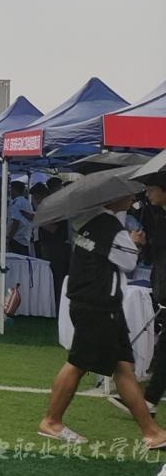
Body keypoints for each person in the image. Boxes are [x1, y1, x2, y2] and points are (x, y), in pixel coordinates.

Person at [38, 195, 166, 449]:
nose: (132, 198)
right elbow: (128, 263)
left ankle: (152, 433)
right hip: (98, 306)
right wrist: (135, 242)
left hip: (96, 305)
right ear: (114, 198)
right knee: (78, 363)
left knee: (123, 367)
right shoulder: (112, 229)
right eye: (127, 195)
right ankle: (51, 421)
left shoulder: (89, 222)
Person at [131, 173, 166, 414]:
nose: (148, 194)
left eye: (152, 189)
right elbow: (154, 256)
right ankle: (150, 400)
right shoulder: (157, 217)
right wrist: (144, 244)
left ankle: (150, 400)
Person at [7, 181, 34, 257]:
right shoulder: (27, 202)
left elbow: (16, 222)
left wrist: (9, 238)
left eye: (11, 189)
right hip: (25, 237)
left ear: (14, 190)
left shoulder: (16, 203)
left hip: (16, 238)